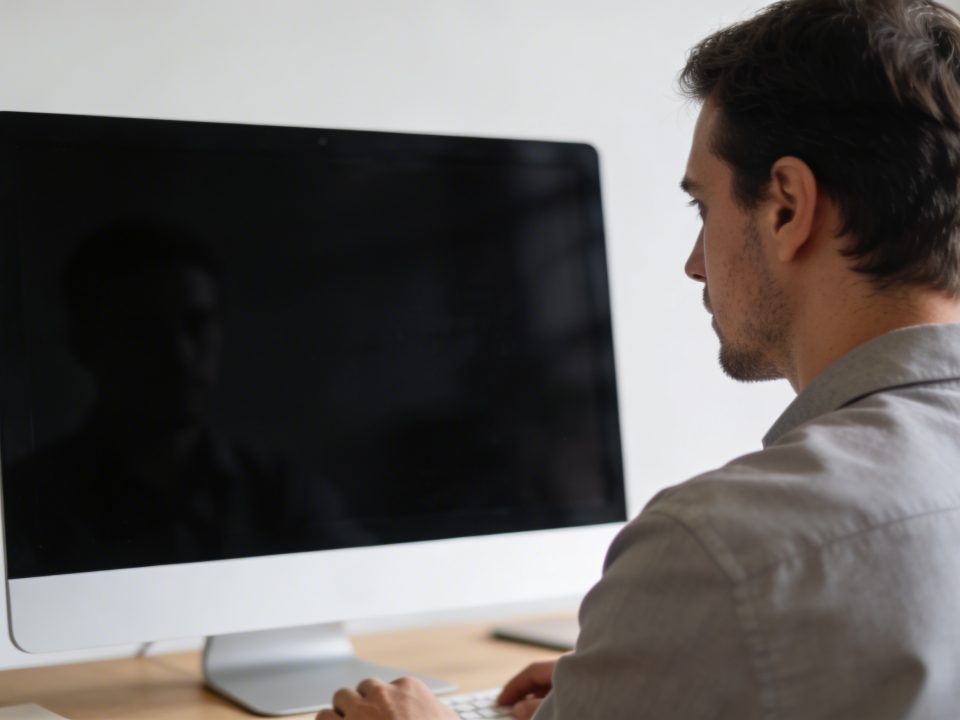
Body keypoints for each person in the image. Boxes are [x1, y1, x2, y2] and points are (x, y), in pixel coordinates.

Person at [316, 0, 960, 717]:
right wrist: (660, 666)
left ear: (786, 206)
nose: (694, 264)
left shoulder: (720, 548)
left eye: (703, 208)